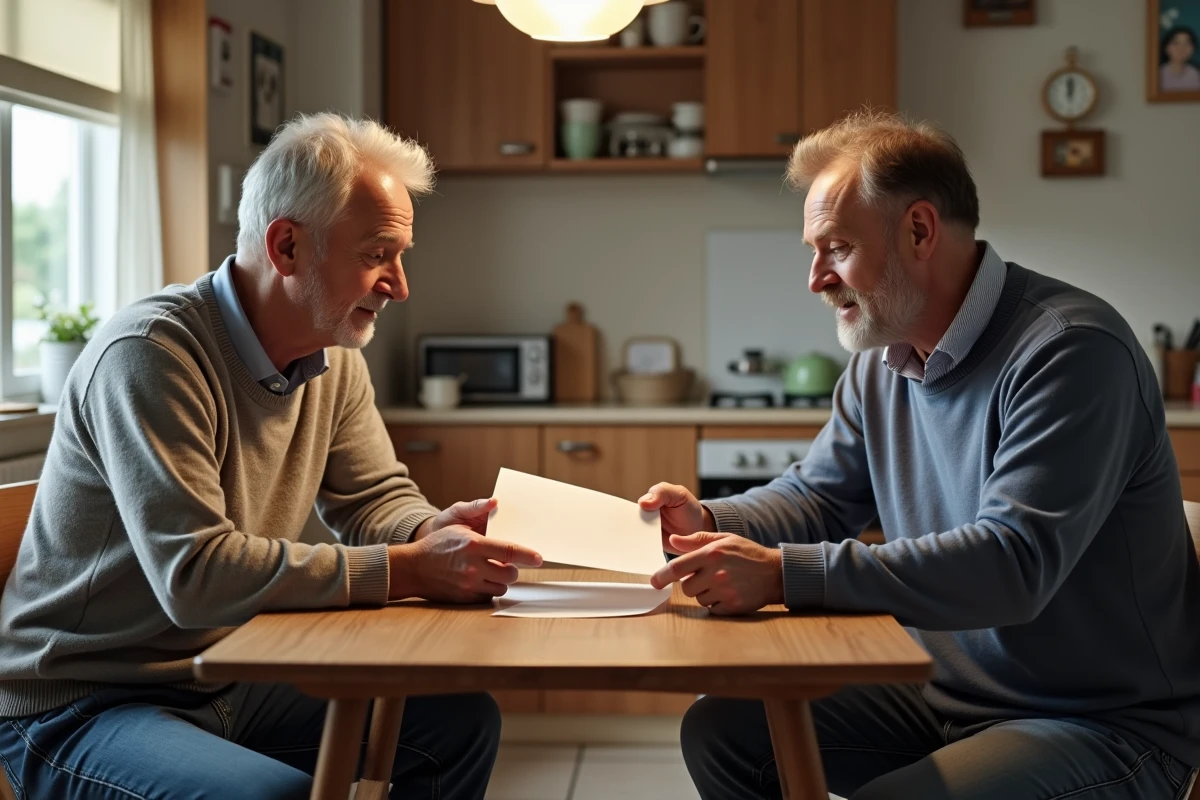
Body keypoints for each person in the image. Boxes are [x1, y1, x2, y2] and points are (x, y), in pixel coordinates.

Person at [641, 110, 1200, 799]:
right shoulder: (884, 362)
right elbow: (818, 496)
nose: (816, 278)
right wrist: (704, 517)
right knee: (727, 731)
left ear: (919, 230)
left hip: (1101, 724)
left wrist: (785, 575)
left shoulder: (1070, 351)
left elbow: (1012, 563)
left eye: (836, 248)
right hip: (940, 696)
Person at [0, 113, 542, 799]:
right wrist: (409, 569)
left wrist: (427, 531)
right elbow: (195, 575)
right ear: (287, 245)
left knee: (456, 723)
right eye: (377, 254)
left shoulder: (333, 357)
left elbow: (374, 497)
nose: (399, 286)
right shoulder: (150, 355)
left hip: (224, 672)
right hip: (84, 703)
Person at [1160, 26, 1200, 92]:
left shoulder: (1196, 74)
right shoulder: (1157, 74)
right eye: (1176, 43)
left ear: (1193, 48)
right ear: (1166, 47)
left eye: (1187, 43)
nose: (1181, 48)